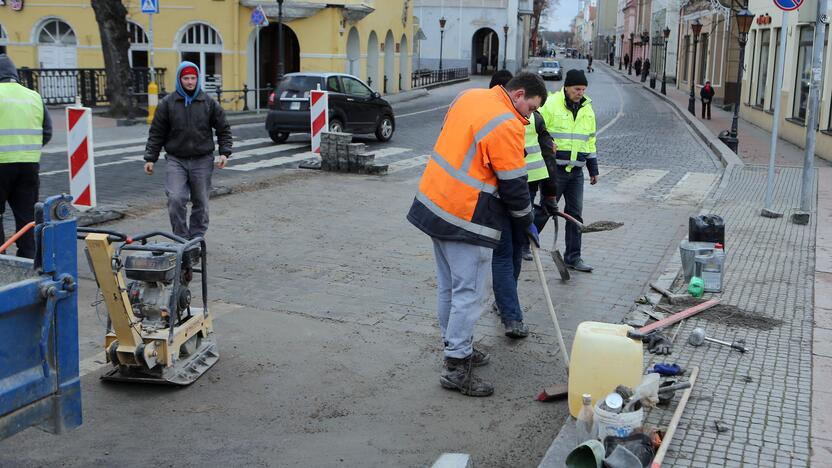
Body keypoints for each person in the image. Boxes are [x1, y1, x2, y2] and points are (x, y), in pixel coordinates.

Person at [407, 72, 548, 397]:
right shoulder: (508, 123)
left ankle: (457, 346)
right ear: (519, 94)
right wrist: (527, 221)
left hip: (434, 203)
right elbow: (514, 185)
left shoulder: (469, 97)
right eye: (530, 108)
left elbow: (460, 143)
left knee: (449, 288)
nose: (529, 116)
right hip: (466, 216)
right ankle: (456, 365)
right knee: (469, 294)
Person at [487, 70, 559, 339]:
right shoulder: (503, 120)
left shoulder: (533, 119)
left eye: (533, 109)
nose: (529, 115)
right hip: (501, 193)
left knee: (515, 251)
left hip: (524, 190)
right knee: (506, 254)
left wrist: (549, 196)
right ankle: (511, 315)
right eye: (530, 107)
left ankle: (506, 304)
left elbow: (547, 160)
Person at [144, 61, 232, 240]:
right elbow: (156, 133)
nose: (190, 82)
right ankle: (182, 239)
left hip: (202, 160)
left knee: (201, 202)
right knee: (176, 199)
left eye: (193, 78)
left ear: (197, 79)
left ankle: (196, 238)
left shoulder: (208, 102)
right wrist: (150, 158)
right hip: (176, 160)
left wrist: (225, 152)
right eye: (186, 78)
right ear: (179, 79)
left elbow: (223, 128)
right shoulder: (167, 103)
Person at [537, 69, 598, 273]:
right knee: (546, 209)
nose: (580, 92)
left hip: (576, 173)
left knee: (575, 215)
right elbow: (536, 126)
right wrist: (546, 144)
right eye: (576, 89)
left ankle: (573, 257)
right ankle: (523, 246)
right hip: (555, 171)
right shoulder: (551, 104)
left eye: (583, 89)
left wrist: (593, 169)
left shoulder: (587, 109)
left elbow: (590, 141)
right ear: (567, 87)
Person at [0, 54, 52, 259]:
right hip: (28, 165)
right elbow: (46, 131)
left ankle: (2, 260)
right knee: (27, 218)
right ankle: (29, 260)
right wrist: (27, 150)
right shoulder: (33, 96)